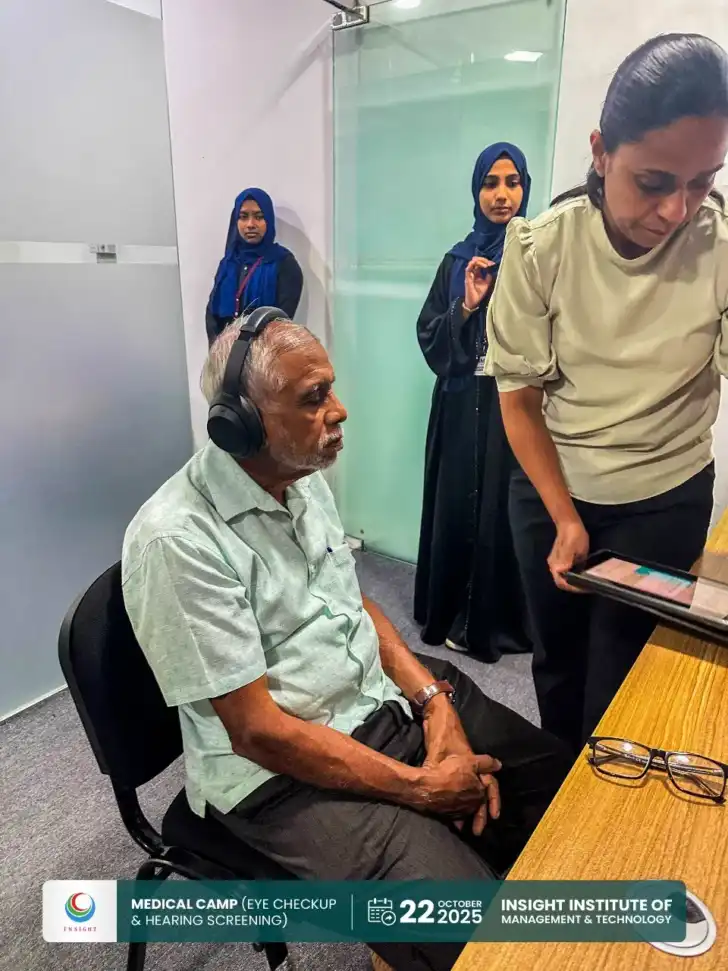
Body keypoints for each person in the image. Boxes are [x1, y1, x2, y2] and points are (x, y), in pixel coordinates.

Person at [122, 311, 570, 971]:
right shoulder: (177, 540)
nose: (339, 410)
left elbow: (354, 603)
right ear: (240, 424)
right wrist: (420, 789)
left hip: (380, 701)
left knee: (564, 792)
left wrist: (435, 705)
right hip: (282, 777)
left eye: (330, 388)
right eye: (314, 399)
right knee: (485, 943)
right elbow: (259, 733)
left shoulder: (299, 477)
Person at [486, 33, 728, 753]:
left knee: (629, 682)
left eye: (703, 181)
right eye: (654, 182)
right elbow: (519, 400)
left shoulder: (719, 249)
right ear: (600, 152)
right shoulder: (542, 247)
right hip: (553, 488)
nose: (677, 209)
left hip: (665, 496)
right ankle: (558, 796)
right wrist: (564, 517)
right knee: (557, 665)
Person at [414, 143, 532, 661]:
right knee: (457, 503)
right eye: (490, 183)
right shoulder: (457, 260)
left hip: (513, 407)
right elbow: (429, 335)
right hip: (461, 407)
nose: (501, 195)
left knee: (504, 509)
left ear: (525, 187)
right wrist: (465, 305)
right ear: (476, 190)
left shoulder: (533, 258)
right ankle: (447, 611)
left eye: (512, 182)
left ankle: (492, 622)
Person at [205, 188, 303, 344]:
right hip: (225, 352)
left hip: (265, 352)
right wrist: (220, 351)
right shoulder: (228, 263)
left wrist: (251, 352)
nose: (250, 224)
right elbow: (212, 315)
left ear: (269, 220)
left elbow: (282, 321)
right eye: (243, 217)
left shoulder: (283, 263)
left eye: (259, 217)